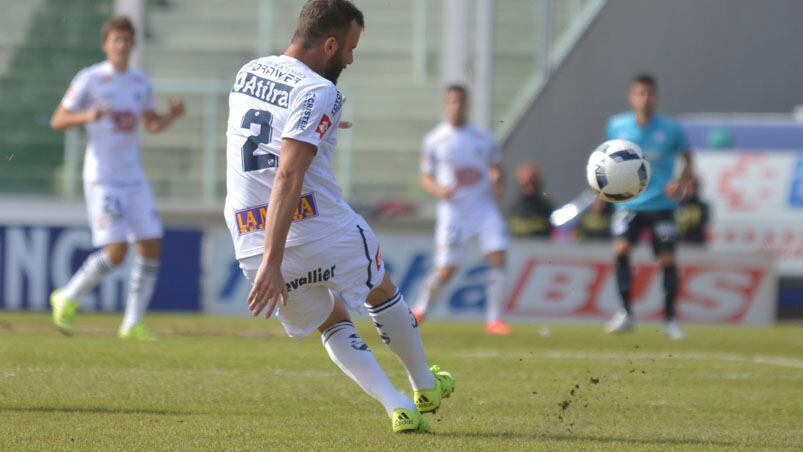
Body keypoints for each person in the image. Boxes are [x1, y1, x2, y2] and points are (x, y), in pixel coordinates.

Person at [224, 0, 453, 433]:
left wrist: (269, 262)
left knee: (331, 319)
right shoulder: (320, 90)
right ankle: (424, 384)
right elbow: (287, 174)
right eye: (349, 48)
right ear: (329, 44)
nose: (350, 58)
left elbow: (264, 132)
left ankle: (397, 406)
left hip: (249, 236)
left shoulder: (248, 72)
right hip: (316, 227)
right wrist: (274, 262)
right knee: (379, 288)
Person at [49, 16, 185, 340]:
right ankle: (67, 297)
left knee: (151, 245)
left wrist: (171, 116)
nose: (122, 46)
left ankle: (131, 323)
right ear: (106, 45)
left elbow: (150, 124)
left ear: (133, 45)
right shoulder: (91, 79)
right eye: (116, 41)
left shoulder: (140, 82)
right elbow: (58, 119)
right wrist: (87, 115)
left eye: (127, 40)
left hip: (133, 176)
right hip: (103, 177)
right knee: (117, 251)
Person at [411, 85, 511, 335]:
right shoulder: (435, 140)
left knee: (498, 255)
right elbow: (426, 179)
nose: (456, 107)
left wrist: (497, 181)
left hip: (483, 207)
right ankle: (420, 309)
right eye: (452, 102)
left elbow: (496, 166)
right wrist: (438, 190)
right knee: (446, 269)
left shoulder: (482, 136)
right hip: (453, 212)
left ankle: (494, 319)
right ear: (446, 105)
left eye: (461, 102)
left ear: (467, 105)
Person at [605, 73, 695, 340]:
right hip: (628, 202)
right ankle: (626, 313)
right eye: (640, 94)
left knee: (667, 259)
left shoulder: (671, 129)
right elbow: (606, 160)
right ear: (631, 97)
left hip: (661, 204)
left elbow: (688, 159)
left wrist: (680, 181)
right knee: (621, 250)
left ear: (656, 97)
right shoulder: (616, 126)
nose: (645, 99)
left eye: (650, 94)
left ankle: (669, 319)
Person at [508, 162, 554, 238]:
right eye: (525, 185)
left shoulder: (547, 208)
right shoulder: (511, 208)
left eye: (534, 185)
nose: (530, 189)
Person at [676, 177, 709, 245]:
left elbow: (704, 223)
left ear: (696, 189)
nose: (687, 190)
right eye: (685, 187)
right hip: (681, 242)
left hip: (696, 241)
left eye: (690, 187)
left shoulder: (702, 206)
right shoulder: (678, 205)